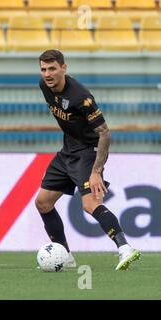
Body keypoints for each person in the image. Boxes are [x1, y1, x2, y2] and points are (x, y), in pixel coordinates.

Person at [35, 49, 140, 270]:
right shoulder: (44, 86)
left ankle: (125, 248)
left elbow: (105, 133)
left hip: (88, 152)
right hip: (67, 151)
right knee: (43, 202)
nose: (47, 74)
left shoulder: (81, 97)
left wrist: (96, 171)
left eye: (52, 68)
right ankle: (64, 255)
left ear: (64, 68)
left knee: (90, 204)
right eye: (44, 69)